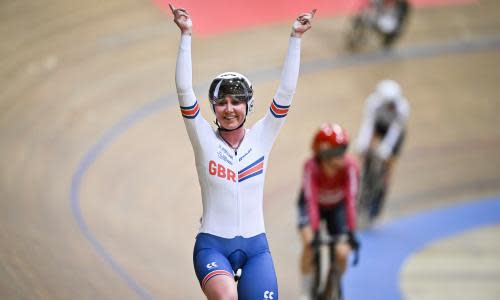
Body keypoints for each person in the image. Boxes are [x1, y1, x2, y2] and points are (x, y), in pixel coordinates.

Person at [169, 4, 315, 300]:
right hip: (213, 246)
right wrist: (186, 35)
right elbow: (184, 90)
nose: (229, 109)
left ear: (247, 106)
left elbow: (285, 93)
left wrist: (295, 38)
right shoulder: (203, 138)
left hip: (256, 250)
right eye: (222, 103)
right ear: (214, 109)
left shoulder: (262, 137)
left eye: (236, 102)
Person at [297, 123, 360, 300]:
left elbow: (351, 201)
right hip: (312, 207)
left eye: (344, 151)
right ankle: (306, 292)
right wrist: (315, 231)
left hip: (337, 208)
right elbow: (310, 201)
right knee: (309, 245)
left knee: (342, 252)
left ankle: (334, 286)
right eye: (338, 153)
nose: (343, 157)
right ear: (324, 155)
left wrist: (351, 232)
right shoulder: (311, 167)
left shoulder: (350, 167)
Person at [355, 79, 410, 219]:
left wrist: (387, 148)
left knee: (388, 165)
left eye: (393, 103)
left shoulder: (403, 108)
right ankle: (364, 186)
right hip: (378, 127)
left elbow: (395, 131)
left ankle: (380, 197)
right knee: (366, 154)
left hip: (394, 131)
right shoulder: (372, 103)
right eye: (389, 104)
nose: (391, 106)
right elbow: (368, 125)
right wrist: (362, 145)